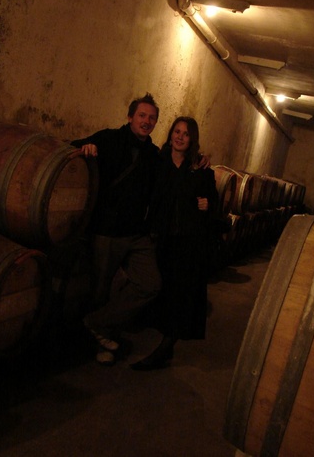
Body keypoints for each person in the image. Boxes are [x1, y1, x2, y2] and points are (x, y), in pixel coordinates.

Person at [71, 93, 162, 365]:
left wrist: (199, 159)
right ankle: (98, 344)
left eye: (152, 118)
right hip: (107, 230)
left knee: (150, 284)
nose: (146, 121)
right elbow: (72, 147)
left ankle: (96, 322)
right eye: (142, 115)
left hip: (136, 234)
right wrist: (86, 147)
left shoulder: (154, 154)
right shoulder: (109, 139)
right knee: (100, 289)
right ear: (130, 116)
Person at [131, 116, 218, 371]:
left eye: (186, 134)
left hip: (189, 242)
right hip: (161, 240)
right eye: (177, 131)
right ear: (170, 134)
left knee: (181, 295)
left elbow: (214, 201)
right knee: (162, 290)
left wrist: (208, 204)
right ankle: (160, 340)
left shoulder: (200, 169)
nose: (180, 137)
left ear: (192, 139)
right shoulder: (158, 162)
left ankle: (165, 348)